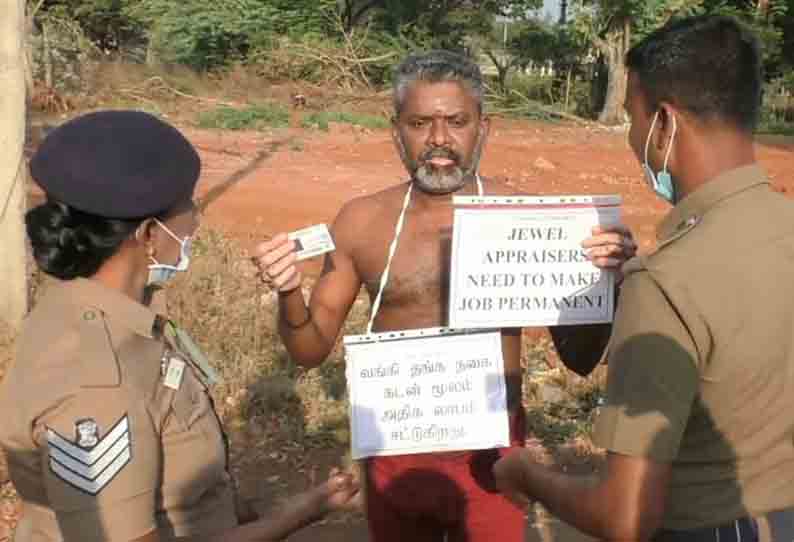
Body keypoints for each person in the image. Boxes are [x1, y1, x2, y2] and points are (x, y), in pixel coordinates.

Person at [254, 50, 637, 542]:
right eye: (420, 123)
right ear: (396, 130)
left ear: (484, 127)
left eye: (456, 122)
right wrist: (289, 291)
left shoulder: (530, 219)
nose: (439, 139)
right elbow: (308, 350)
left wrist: (607, 283)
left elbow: (580, 359)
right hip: (395, 448)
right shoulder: (362, 222)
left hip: (493, 456)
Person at [493, 14, 794, 542]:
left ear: (664, 125)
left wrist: (526, 474)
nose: (632, 137)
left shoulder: (664, 285)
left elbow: (625, 517)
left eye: (633, 118)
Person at [0, 110, 359, 542]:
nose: (196, 219)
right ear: (150, 234)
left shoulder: (108, 312)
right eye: (188, 206)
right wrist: (298, 514)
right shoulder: (99, 385)